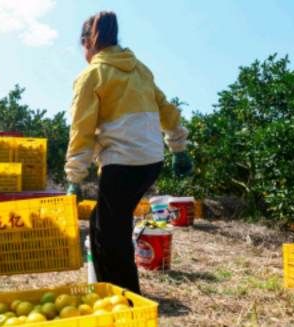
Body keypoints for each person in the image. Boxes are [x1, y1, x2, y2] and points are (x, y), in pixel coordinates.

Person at [65, 11, 193, 294]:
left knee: (112, 235)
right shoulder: (140, 70)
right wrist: (178, 147)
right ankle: (105, 288)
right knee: (102, 222)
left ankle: (124, 298)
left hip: (123, 164)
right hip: (150, 162)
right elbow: (166, 109)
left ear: (88, 42)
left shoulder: (91, 75)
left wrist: (74, 178)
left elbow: (81, 130)